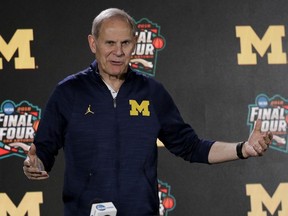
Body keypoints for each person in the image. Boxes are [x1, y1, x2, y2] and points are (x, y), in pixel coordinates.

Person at [23, 8, 273, 216]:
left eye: (125, 43)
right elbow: (44, 149)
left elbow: (191, 146)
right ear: (93, 43)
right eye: (109, 43)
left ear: (135, 44)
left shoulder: (152, 92)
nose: (118, 52)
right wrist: (35, 163)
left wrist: (243, 149)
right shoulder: (69, 92)